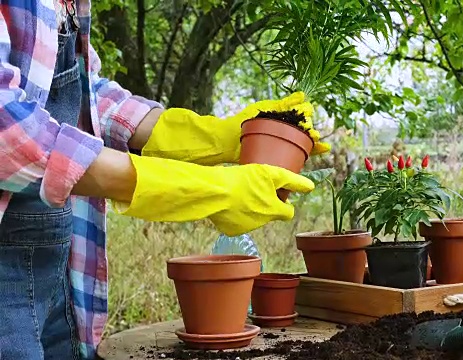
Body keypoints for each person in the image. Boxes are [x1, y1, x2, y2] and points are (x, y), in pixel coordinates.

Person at [0, 1, 330, 359]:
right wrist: (204, 189)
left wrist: (212, 136)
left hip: (58, 268)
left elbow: (85, 92)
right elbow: (10, 130)